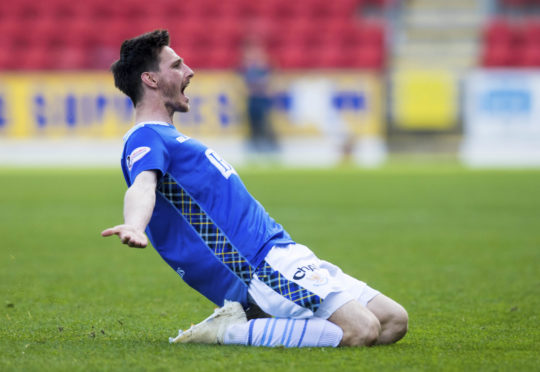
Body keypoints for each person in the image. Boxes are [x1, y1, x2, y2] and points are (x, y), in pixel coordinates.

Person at [102, 30, 408, 348]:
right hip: (259, 266)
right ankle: (229, 331)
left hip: (284, 250)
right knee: (362, 330)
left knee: (393, 320)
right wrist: (135, 225)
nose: (189, 72)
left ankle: (264, 323)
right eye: (177, 65)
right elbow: (143, 184)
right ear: (150, 79)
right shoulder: (144, 137)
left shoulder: (169, 136)